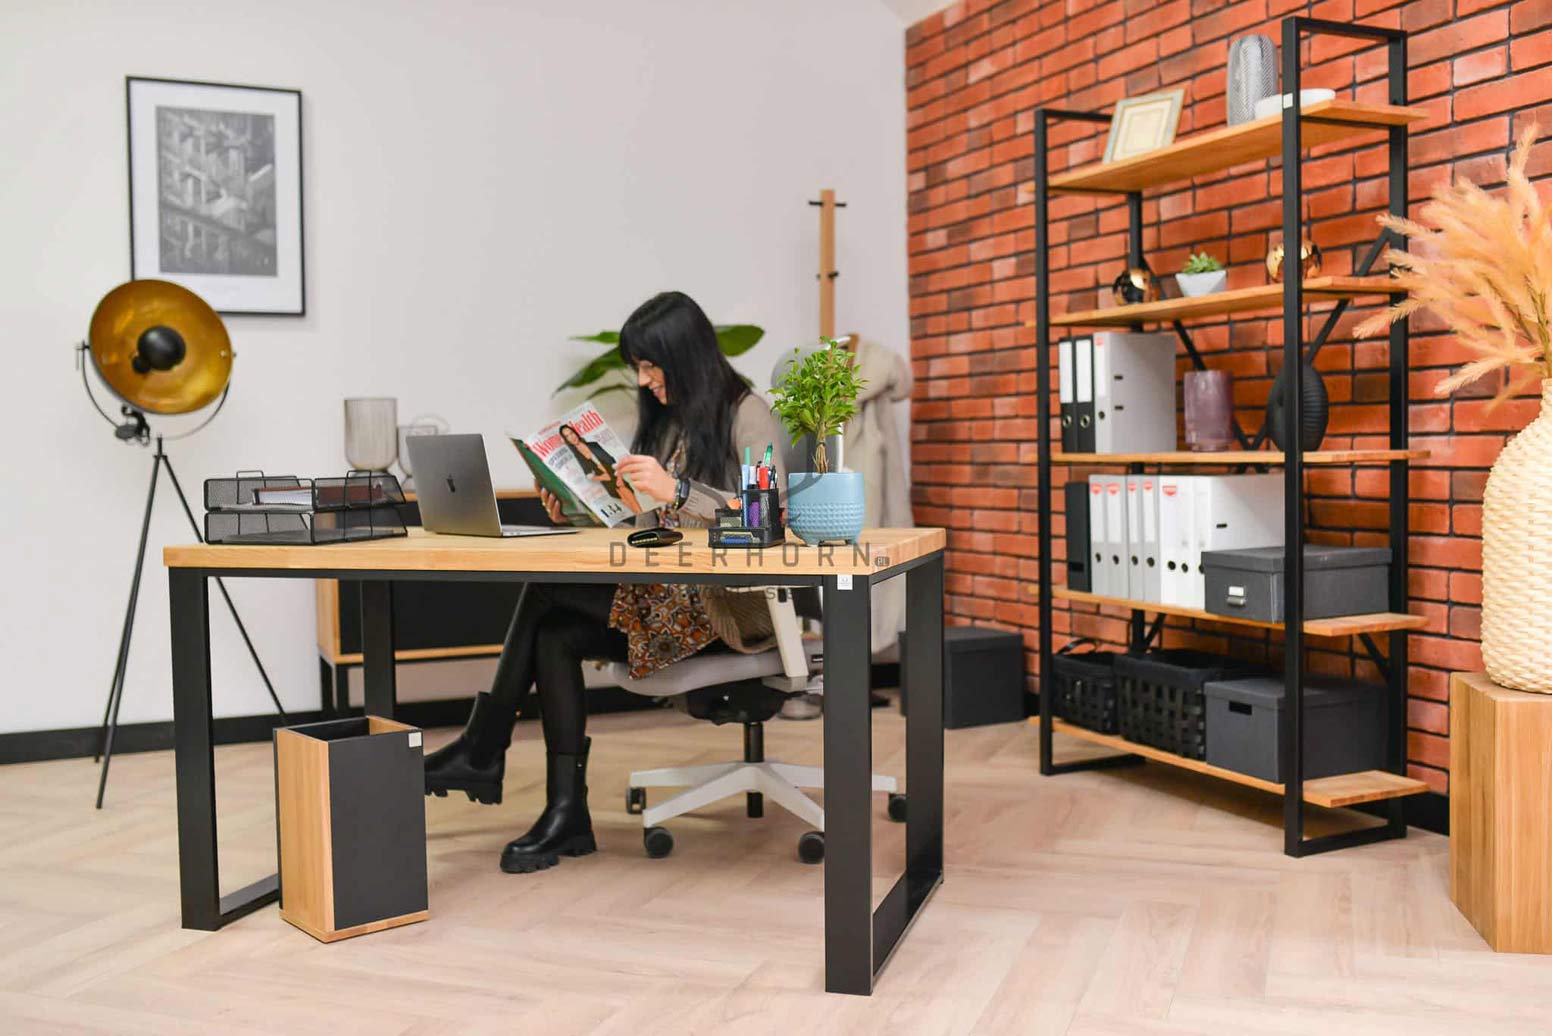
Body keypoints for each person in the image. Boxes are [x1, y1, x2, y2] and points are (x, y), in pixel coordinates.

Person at [423, 291, 785, 874]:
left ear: (685, 357)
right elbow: (660, 533)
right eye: (638, 368)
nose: (643, 381)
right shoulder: (670, 423)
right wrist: (585, 507)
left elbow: (769, 521)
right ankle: (567, 813)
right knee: (556, 634)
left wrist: (677, 491)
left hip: (730, 611)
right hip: (674, 600)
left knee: (545, 595)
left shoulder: (748, 414)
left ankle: (484, 748)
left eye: (651, 366)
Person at [558, 421, 640, 512]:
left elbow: (612, 461)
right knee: (627, 503)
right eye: (567, 436)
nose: (571, 437)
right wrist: (601, 477)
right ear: (566, 440)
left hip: (615, 475)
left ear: (575, 433)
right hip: (607, 482)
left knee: (633, 503)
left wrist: (620, 478)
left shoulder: (593, 445)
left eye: (571, 433)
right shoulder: (578, 455)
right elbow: (588, 474)